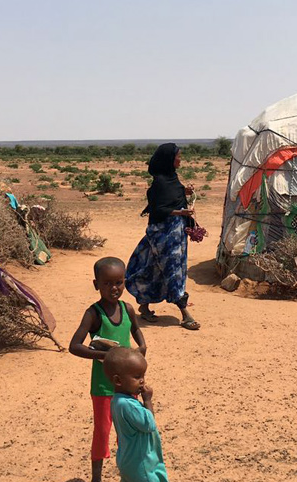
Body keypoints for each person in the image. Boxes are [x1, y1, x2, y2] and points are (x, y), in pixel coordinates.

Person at [69, 257, 148, 482]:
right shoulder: (93, 314)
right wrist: (106, 355)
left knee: (128, 430)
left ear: (125, 282)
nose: (114, 288)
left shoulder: (128, 308)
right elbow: (74, 346)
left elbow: (136, 329)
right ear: (97, 285)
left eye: (119, 283)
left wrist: (142, 347)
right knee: (102, 433)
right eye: (107, 283)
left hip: (128, 384)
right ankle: (97, 478)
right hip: (103, 386)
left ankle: (130, 471)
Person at [125, 143, 200, 330]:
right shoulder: (159, 182)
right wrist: (180, 213)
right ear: (169, 159)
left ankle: (144, 306)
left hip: (177, 234)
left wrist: (185, 193)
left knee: (155, 268)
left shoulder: (173, 180)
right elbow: (158, 209)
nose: (180, 159)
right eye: (178, 156)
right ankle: (185, 313)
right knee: (174, 271)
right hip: (163, 235)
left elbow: (171, 197)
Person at [103, 347, 168, 482]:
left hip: (128, 460)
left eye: (143, 376)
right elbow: (149, 424)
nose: (142, 381)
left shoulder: (117, 400)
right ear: (118, 381)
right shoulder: (128, 405)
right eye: (137, 377)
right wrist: (148, 400)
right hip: (141, 464)